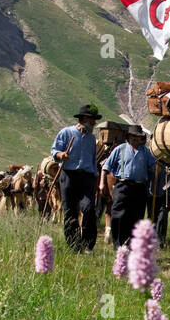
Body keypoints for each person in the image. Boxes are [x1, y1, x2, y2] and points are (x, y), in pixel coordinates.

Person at [51, 105, 101, 251]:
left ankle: (87, 244)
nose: (94, 124)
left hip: (87, 177)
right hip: (69, 175)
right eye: (92, 120)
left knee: (89, 208)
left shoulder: (91, 139)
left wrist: (95, 177)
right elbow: (55, 150)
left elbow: (93, 160)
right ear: (84, 119)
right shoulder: (66, 133)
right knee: (70, 210)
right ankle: (74, 245)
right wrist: (61, 155)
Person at [102, 127, 156, 247]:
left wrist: (157, 169)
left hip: (139, 187)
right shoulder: (119, 149)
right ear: (128, 137)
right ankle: (118, 244)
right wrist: (102, 184)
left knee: (136, 216)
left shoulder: (145, 152)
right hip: (122, 185)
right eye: (133, 137)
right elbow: (106, 167)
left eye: (138, 137)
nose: (136, 139)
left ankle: (132, 244)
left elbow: (153, 167)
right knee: (117, 215)